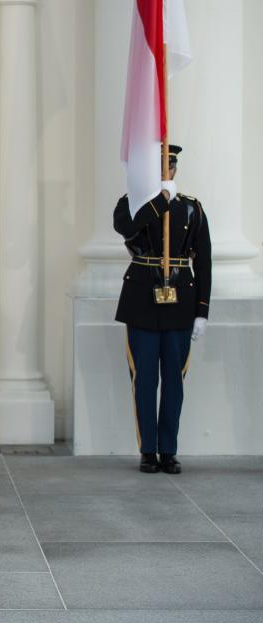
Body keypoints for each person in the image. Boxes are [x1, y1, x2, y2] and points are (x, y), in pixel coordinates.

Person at [114, 145, 211, 475]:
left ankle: (168, 450)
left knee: (174, 380)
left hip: (180, 302)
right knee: (144, 380)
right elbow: (127, 228)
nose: (163, 172)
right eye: (157, 167)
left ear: (174, 169)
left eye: (168, 166)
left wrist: (202, 311)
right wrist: (159, 201)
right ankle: (148, 450)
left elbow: (205, 262)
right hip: (142, 300)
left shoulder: (193, 209)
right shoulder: (132, 203)